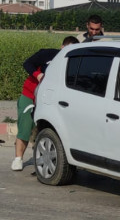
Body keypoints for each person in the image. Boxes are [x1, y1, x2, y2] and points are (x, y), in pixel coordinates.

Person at [12, 35, 79, 171]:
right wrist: (38, 75)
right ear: (62, 47)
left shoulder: (72, 64)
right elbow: (27, 64)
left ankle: (49, 157)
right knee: (25, 126)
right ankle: (18, 158)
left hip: (50, 99)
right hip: (30, 95)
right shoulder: (47, 54)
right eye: (68, 49)